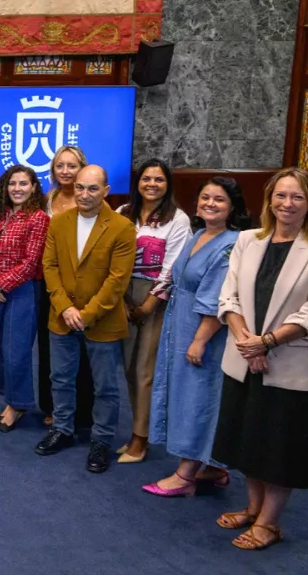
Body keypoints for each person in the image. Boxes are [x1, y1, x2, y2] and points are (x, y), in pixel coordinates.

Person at [210, 168, 308, 551]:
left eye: (297, 197)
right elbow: (228, 297)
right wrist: (247, 343)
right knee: (248, 440)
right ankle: (253, 508)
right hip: (243, 358)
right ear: (269, 200)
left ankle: (269, 523)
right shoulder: (248, 240)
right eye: (280, 196)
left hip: (290, 364)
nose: (287, 204)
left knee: (280, 447)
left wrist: (265, 344)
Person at [143, 177, 246, 497]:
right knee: (188, 393)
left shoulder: (231, 243)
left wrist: (200, 340)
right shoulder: (200, 234)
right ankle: (213, 467)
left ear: (232, 207)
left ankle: (186, 474)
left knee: (197, 398)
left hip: (205, 331)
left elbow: (218, 299)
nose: (210, 204)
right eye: (205, 198)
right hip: (180, 322)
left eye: (219, 200)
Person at [35, 164, 136, 474]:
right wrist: (65, 308)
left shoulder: (121, 227)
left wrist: (87, 314)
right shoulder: (60, 222)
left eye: (93, 188)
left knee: (105, 387)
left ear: (105, 191)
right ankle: (62, 429)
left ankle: (101, 440)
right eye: (80, 187)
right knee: (60, 379)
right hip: (61, 317)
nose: (85, 194)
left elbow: (118, 281)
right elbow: (49, 267)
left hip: (102, 321)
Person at [116, 159, 192, 463]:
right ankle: (136, 428)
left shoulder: (178, 220)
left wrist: (149, 303)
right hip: (120, 296)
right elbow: (111, 255)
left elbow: (173, 267)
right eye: (146, 178)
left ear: (167, 184)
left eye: (158, 179)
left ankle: (140, 439)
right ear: (138, 183)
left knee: (144, 371)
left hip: (155, 299)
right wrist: (120, 299)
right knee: (126, 368)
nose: (151, 184)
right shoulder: (122, 214)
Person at [0, 165, 49, 432]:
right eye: (12, 184)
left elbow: (31, 262)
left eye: (23, 184)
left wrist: (2, 283)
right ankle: (9, 398)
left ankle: (17, 405)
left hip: (22, 291)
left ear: (33, 187)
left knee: (15, 351)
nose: (16, 189)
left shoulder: (38, 218)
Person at [39, 145, 95, 428]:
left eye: (71, 166)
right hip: (48, 282)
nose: (65, 171)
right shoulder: (47, 198)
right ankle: (52, 406)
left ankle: (83, 411)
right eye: (60, 166)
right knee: (49, 348)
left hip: (81, 286)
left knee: (81, 350)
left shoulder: (93, 200)